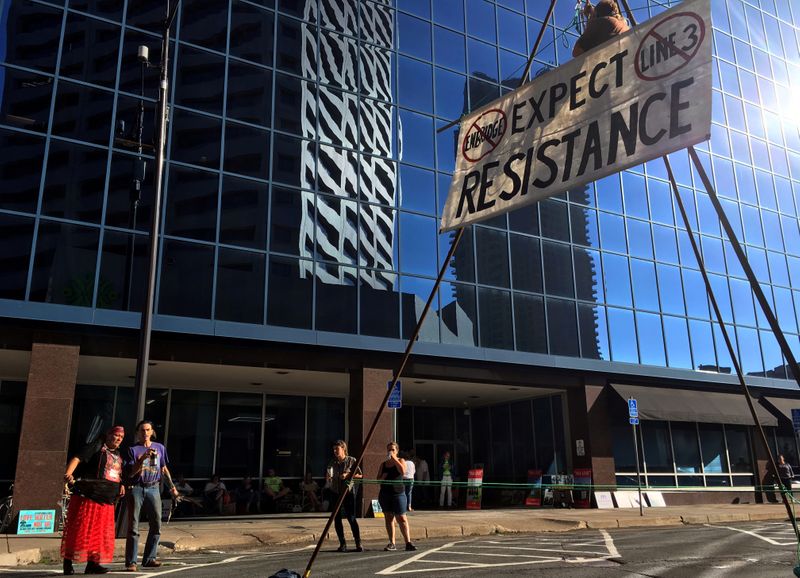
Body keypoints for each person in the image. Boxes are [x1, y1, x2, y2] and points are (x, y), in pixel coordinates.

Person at [61, 426, 126, 575]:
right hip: (88, 495)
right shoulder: (97, 446)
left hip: (106, 498)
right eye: (116, 435)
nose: (118, 439)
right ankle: (67, 562)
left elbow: (115, 473)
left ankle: (93, 563)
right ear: (108, 435)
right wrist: (68, 474)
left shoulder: (116, 454)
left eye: (121, 438)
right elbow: (77, 458)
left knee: (99, 532)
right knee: (79, 530)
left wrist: (121, 484)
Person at [124, 420, 178, 572]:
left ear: (152, 431)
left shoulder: (159, 447)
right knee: (133, 526)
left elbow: (164, 469)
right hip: (136, 488)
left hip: (153, 488)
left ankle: (149, 559)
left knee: (156, 524)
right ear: (137, 433)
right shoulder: (132, 450)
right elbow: (131, 472)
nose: (145, 433)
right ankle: (131, 562)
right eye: (142, 430)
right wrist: (142, 458)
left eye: (148, 430)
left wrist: (172, 487)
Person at [377, 442, 416, 552]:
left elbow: (403, 471)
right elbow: (377, 479)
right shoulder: (383, 464)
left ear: (397, 451)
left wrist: (394, 459)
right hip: (385, 494)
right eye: (389, 450)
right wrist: (382, 478)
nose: (390, 452)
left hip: (398, 493)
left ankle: (408, 542)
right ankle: (392, 543)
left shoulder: (401, 460)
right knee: (389, 518)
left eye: (393, 450)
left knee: (402, 518)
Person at [327, 440, 363, 552]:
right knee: (336, 519)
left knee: (351, 517)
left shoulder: (352, 460)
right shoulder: (332, 462)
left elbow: (360, 475)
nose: (335, 451)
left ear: (343, 449)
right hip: (335, 492)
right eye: (334, 449)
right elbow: (328, 474)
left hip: (348, 493)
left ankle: (358, 542)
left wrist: (347, 475)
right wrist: (328, 477)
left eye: (337, 449)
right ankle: (342, 543)